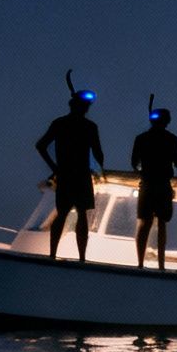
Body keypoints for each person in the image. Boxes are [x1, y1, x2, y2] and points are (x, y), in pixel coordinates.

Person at [35, 84, 105, 262]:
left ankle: (53, 254)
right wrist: (98, 170)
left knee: (63, 213)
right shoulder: (89, 127)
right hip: (81, 175)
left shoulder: (60, 123)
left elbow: (41, 146)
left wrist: (55, 168)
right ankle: (81, 258)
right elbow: (99, 154)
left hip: (66, 174)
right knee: (80, 215)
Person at [131, 103, 177, 270]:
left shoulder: (141, 138)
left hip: (146, 185)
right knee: (162, 224)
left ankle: (140, 263)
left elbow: (134, 163)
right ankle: (161, 264)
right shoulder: (173, 139)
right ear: (167, 121)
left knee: (144, 223)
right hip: (163, 185)